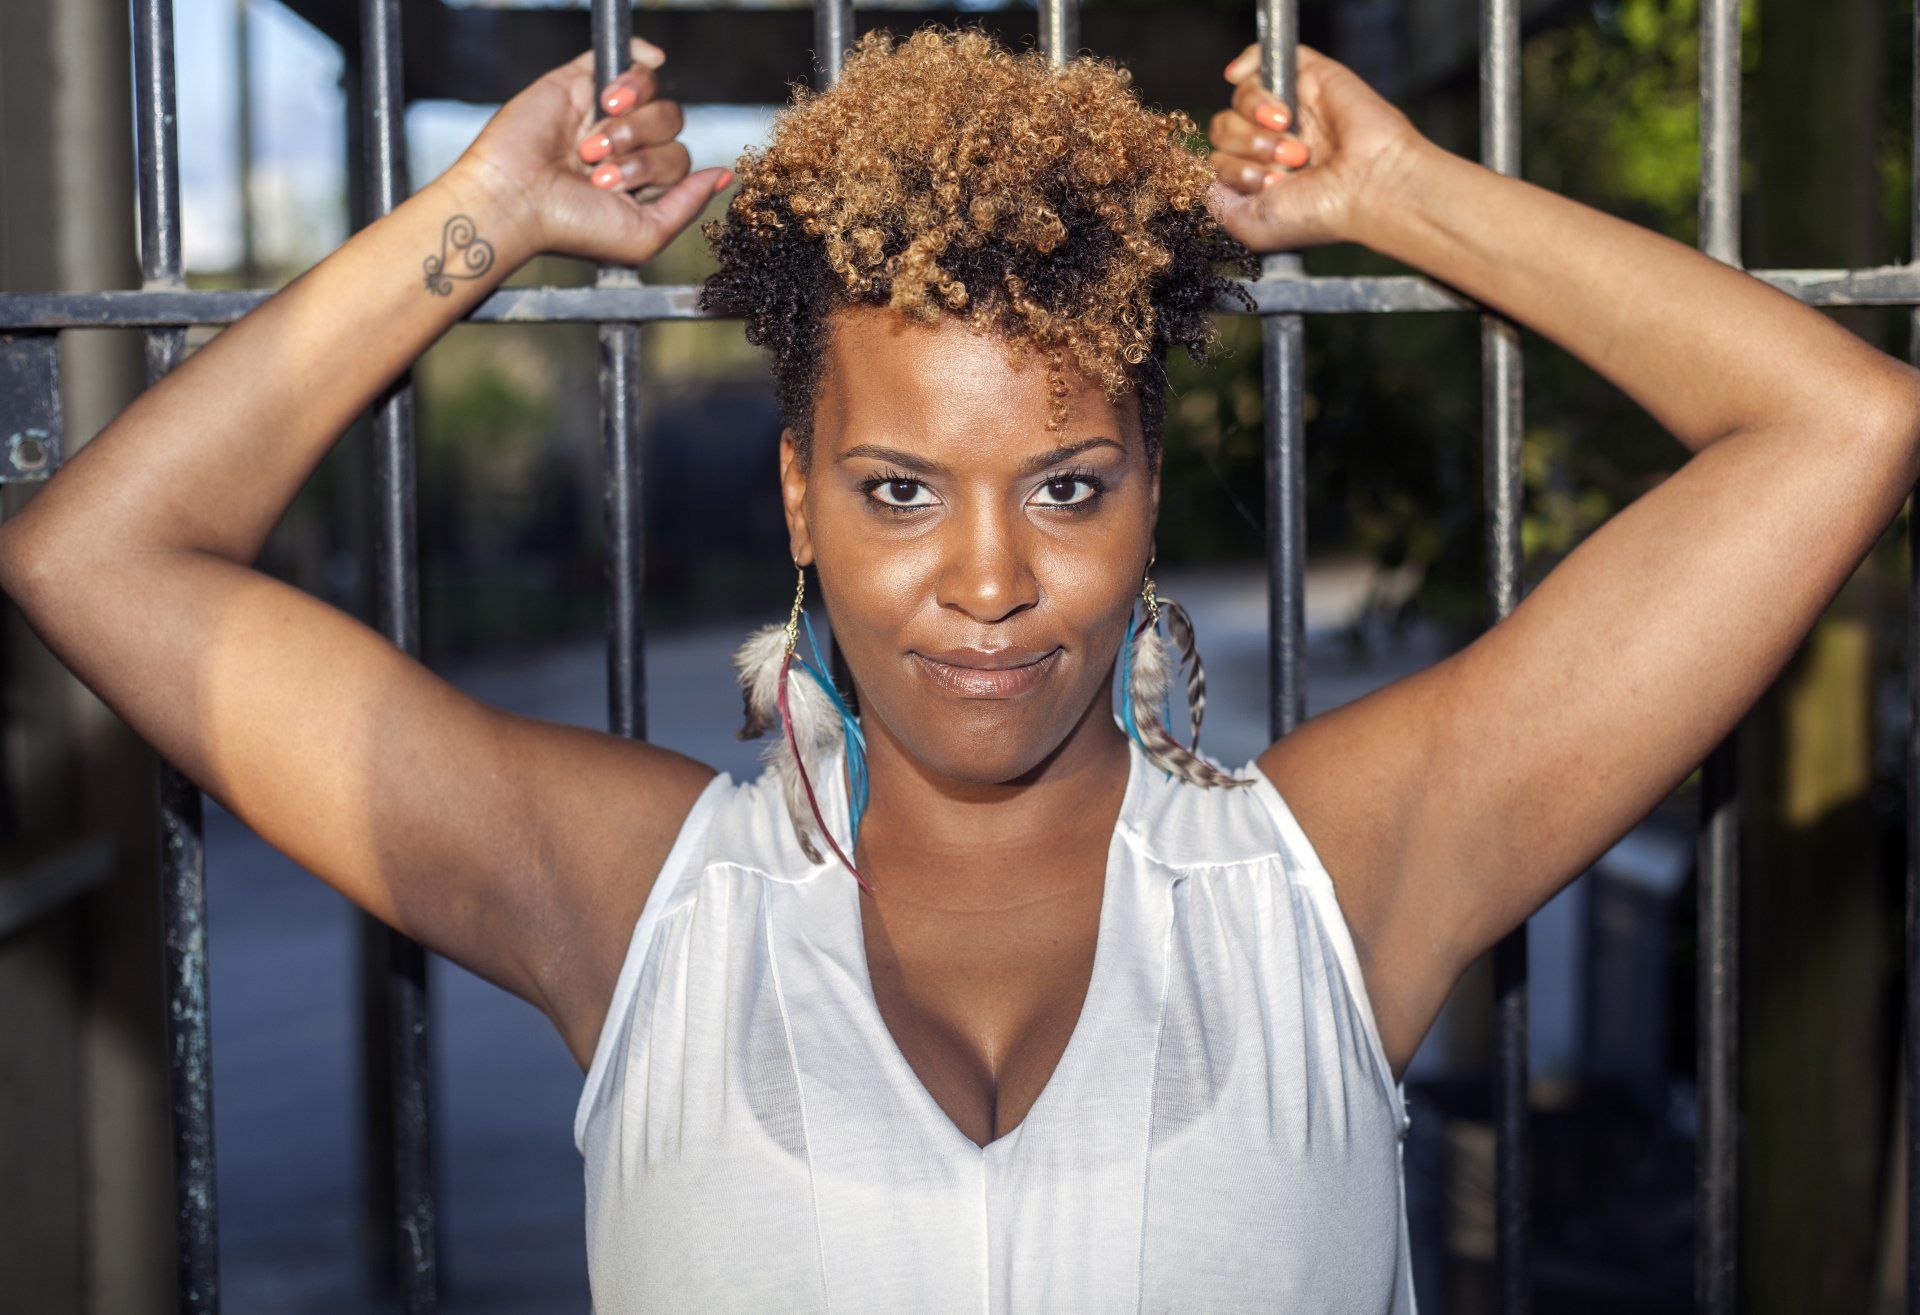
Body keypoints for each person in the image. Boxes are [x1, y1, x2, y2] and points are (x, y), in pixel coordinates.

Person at [3, 21, 1915, 1314]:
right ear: (801, 498)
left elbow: (1835, 429)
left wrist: (1405, 194)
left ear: (1151, 489)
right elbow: (95, 557)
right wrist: (483, 221)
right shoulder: (632, 902)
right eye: (902, 486)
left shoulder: (1335, 884)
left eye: (1066, 483)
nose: (991, 580)